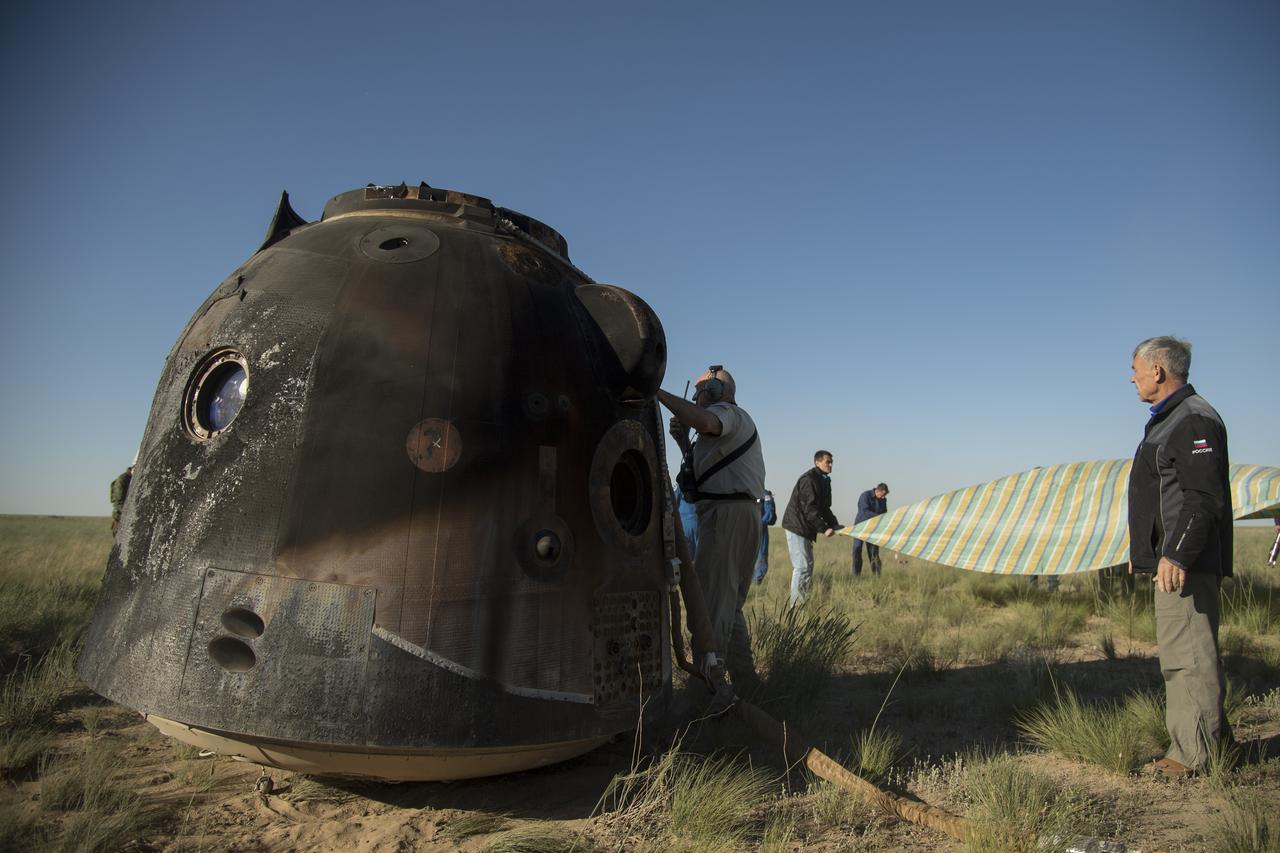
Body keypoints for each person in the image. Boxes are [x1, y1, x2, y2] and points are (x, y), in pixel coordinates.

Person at [1127, 336, 1232, 777]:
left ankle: (1193, 756)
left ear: (1158, 371)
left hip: (1185, 565)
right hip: (1174, 560)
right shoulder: (1172, 420)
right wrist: (1148, 551)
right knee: (1187, 652)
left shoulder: (1192, 420)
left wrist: (1177, 555)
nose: (1131, 377)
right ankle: (1213, 743)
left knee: (1186, 656)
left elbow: (1201, 498)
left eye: (1135, 368)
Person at [659, 365, 766, 697]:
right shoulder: (726, 427)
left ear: (719, 393)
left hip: (725, 516)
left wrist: (657, 392)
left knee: (710, 608)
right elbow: (698, 477)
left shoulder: (727, 413)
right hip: (735, 513)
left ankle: (706, 693)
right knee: (728, 607)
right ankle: (746, 684)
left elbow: (706, 421)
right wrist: (682, 442)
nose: (696, 397)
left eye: (700, 391)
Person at [781, 451, 840, 606]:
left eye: (832, 461)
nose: (831, 464)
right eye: (828, 461)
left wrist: (834, 524)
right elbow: (810, 508)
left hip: (807, 527)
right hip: (797, 526)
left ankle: (801, 601)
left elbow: (825, 508)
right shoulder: (809, 479)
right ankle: (796, 608)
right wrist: (823, 528)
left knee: (808, 566)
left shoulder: (825, 481)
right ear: (817, 462)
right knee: (801, 567)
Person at [851, 483, 889, 577]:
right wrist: (879, 517)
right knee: (857, 551)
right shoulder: (865, 496)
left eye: (885, 496)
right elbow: (865, 512)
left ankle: (876, 576)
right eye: (882, 495)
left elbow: (884, 513)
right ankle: (856, 576)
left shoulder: (883, 500)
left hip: (873, 529)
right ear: (878, 491)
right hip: (860, 528)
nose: (883, 497)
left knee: (874, 553)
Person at [752, 490, 776, 585]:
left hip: (741, 531)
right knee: (761, 564)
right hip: (759, 532)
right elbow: (770, 515)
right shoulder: (765, 494)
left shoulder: (741, 489)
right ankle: (755, 589)